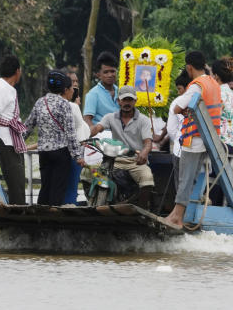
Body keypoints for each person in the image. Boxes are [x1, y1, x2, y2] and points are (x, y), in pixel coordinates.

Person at [163, 51, 223, 229]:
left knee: (185, 178)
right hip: (208, 139)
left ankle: (177, 217)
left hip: (194, 138)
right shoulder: (213, 83)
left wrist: (182, 110)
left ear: (189, 67)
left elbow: (177, 108)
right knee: (192, 178)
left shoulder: (197, 85)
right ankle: (177, 214)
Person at [25, 70, 84, 206]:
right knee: (57, 190)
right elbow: (70, 134)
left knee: (45, 187)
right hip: (60, 154)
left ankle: (40, 217)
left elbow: (27, 127)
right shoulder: (65, 105)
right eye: (70, 89)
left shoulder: (40, 102)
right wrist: (78, 156)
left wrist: (17, 143)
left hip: (43, 154)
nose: (71, 92)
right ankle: (53, 221)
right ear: (64, 89)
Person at [95, 86, 155, 209]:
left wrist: (144, 153)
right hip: (114, 160)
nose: (127, 103)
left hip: (136, 161)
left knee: (147, 178)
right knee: (93, 174)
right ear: (119, 101)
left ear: (135, 101)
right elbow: (97, 128)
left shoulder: (143, 120)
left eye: (130, 100)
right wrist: (86, 134)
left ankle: (141, 211)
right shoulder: (110, 117)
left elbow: (148, 142)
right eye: (124, 100)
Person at [0, 55, 27, 204]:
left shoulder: (8, 88)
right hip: (4, 140)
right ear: (17, 71)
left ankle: (19, 209)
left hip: (12, 140)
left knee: (20, 181)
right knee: (15, 182)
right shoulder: (1, 88)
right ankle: (18, 214)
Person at [62, 66, 91, 205]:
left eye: (76, 81)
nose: (74, 85)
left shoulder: (75, 105)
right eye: (71, 82)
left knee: (72, 185)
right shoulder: (69, 106)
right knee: (70, 184)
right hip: (73, 151)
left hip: (81, 149)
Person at [83, 51, 119, 132]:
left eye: (112, 71)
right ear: (98, 75)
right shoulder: (93, 94)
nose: (110, 75)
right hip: (102, 138)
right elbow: (87, 119)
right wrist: (94, 131)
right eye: (106, 72)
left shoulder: (121, 91)